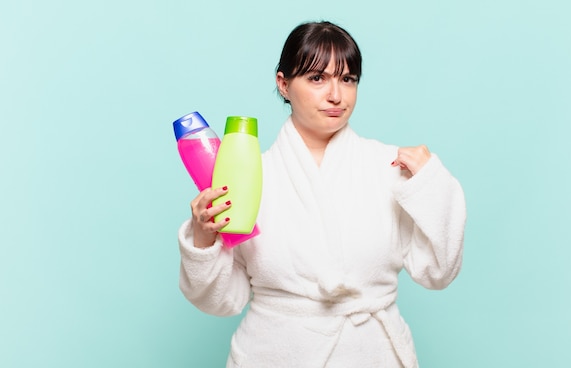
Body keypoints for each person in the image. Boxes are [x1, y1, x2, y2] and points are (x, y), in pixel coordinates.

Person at [178, 21, 466, 368]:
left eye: (348, 79)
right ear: (283, 84)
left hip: (371, 353)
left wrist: (433, 184)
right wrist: (203, 236)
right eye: (317, 78)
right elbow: (219, 300)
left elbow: (439, 272)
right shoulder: (252, 176)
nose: (336, 95)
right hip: (274, 354)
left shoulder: (391, 167)